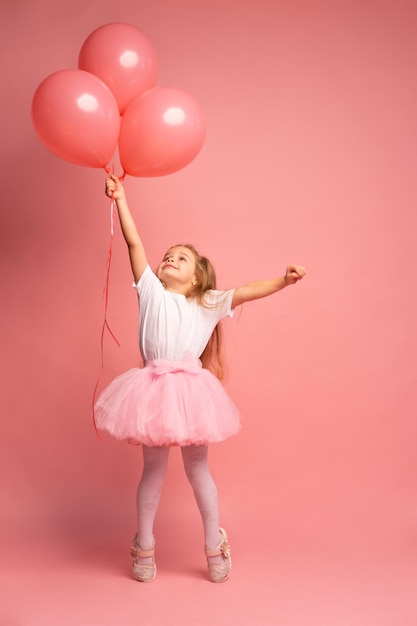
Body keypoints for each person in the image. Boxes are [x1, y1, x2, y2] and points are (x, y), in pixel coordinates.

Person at [94, 175, 306, 584]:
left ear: (195, 279)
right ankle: (144, 546)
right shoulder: (151, 290)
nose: (169, 259)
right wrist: (121, 199)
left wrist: (284, 280)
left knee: (197, 471)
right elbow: (134, 243)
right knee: (153, 472)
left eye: (181, 259)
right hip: (153, 390)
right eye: (168, 255)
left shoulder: (206, 302)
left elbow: (246, 291)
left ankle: (213, 545)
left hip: (190, 393)